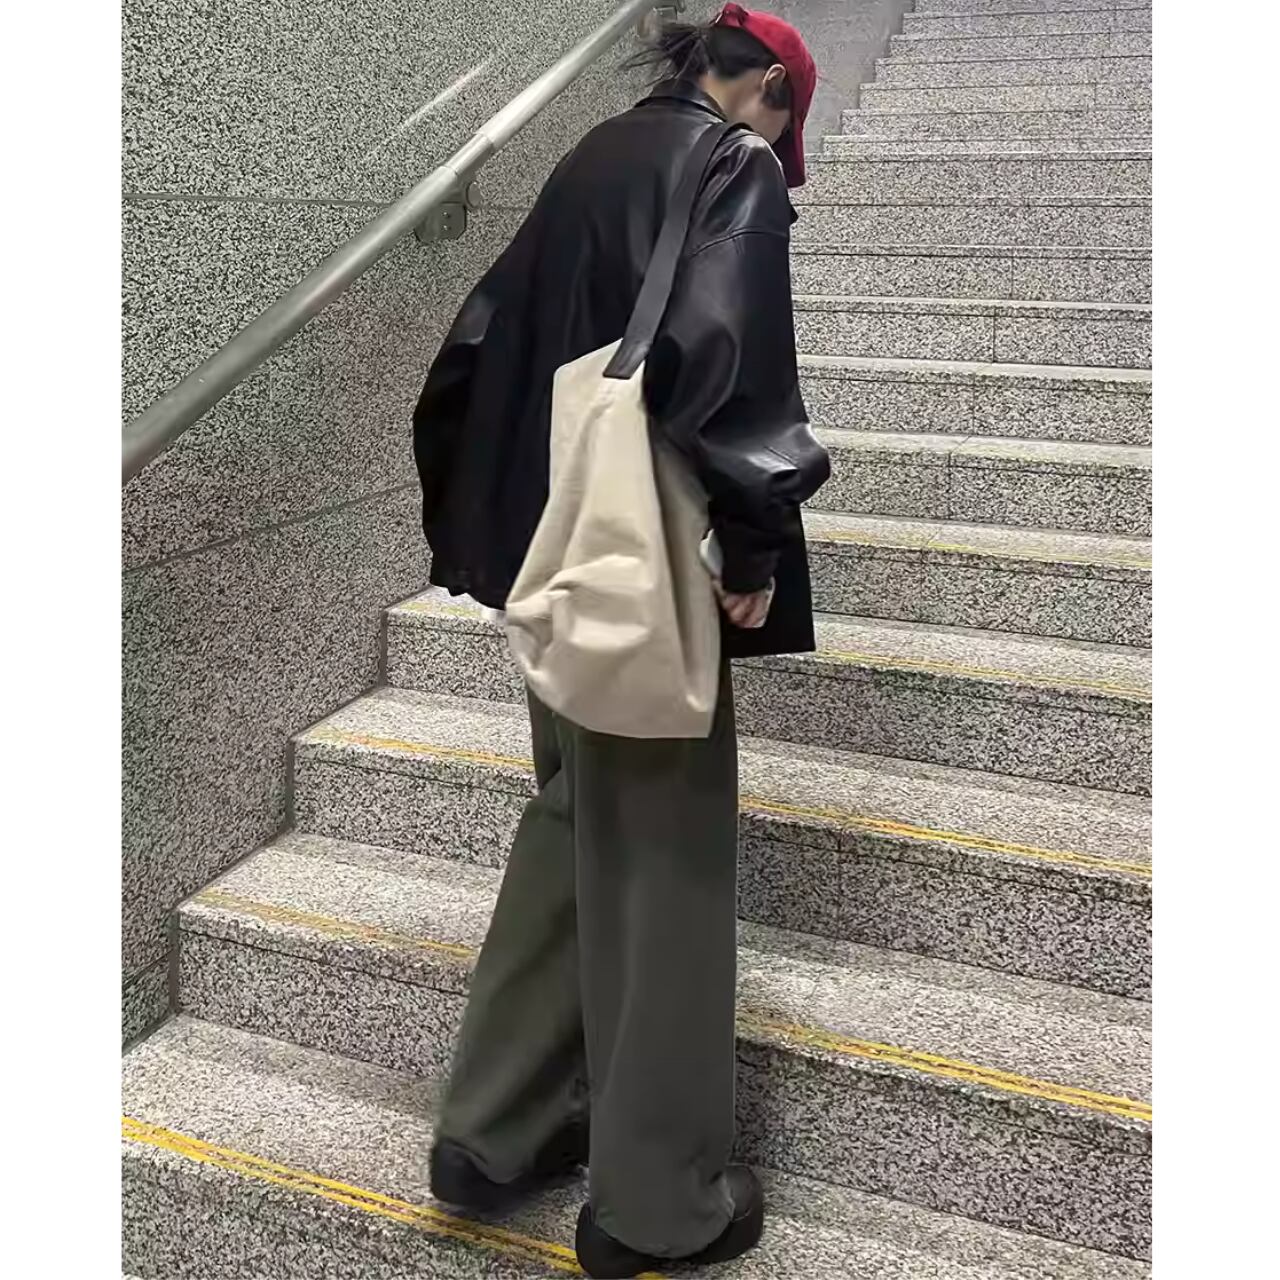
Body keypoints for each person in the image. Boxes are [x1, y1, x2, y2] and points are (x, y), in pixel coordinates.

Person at [411, 6, 829, 1276]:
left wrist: (495, 539)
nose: (775, 149)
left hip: (556, 558)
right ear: (762, 90)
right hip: (647, 563)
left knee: (569, 820)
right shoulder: (730, 165)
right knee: (662, 865)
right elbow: (728, 360)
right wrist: (751, 545)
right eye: (781, 124)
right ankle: (657, 1203)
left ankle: (492, 1127)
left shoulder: (591, 152)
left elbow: (475, 344)